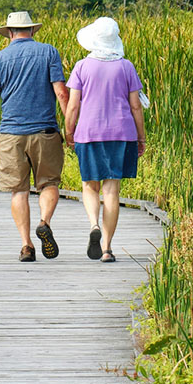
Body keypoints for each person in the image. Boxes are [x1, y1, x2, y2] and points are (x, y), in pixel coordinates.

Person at [0, 11, 70, 262]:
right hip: (45, 132)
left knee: (18, 191)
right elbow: (62, 93)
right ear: (32, 30)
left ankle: (26, 246)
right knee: (49, 183)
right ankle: (44, 221)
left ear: (10, 32)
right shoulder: (48, 52)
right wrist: (72, 128)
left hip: (11, 134)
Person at [64, 17, 147, 263]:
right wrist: (141, 137)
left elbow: (72, 106)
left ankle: (93, 225)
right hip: (121, 133)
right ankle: (108, 248)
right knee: (112, 190)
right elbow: (136, 106)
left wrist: (69, 132)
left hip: (89, 133)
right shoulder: (126, 67)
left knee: (90, 185)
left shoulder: (81, 66)